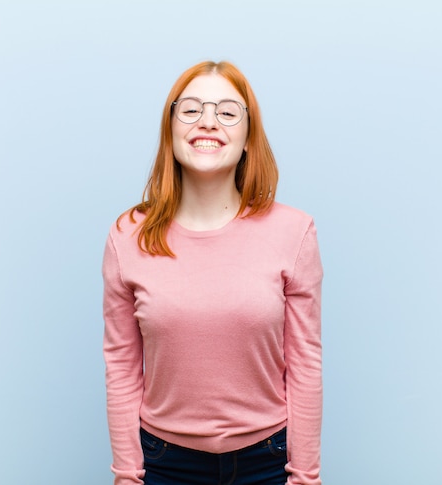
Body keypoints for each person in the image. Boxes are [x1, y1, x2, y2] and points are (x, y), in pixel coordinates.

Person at [102, 60, 323, 485]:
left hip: (268, 462)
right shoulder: (126, 235)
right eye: (190, 110)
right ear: (170, 130)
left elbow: (305, 364)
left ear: (247, 137)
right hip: (163, 463)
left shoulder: (294, 231)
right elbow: (122, 365)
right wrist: (129, 475)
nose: (208, 122)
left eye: (226, 111)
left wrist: (305, 477)